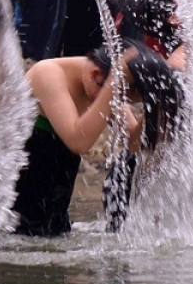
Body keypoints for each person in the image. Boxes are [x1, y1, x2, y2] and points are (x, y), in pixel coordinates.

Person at [12, 44, 181, 236]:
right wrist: (114, 84)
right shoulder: (48, 73)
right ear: (95, 75)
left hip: (50, 204)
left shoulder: (101, 87)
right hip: (13, 199)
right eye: (117, 94)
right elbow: (78, 142)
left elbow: (134, 144)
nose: (116, 102)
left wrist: (158, 109)